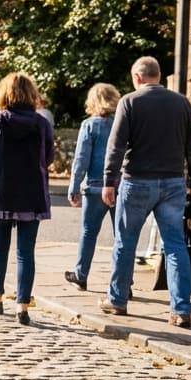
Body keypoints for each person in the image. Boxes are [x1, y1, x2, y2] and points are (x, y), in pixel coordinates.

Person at [100, 57, 191, 328]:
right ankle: (181, 309)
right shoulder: (182, 103)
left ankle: (117, 299)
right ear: (158, 75)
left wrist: (109, 181)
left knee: (125, 241)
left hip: (137, 182)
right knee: (175, 245)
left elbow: (116, 145)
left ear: (137, 77)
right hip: (172, 183)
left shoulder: (130, 102)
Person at [0, 72, 53, 324]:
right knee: (25, 252)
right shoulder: (42, 124)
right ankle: (22, 305)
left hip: (2, 192)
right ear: (32, 94)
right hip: (32, 193)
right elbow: (49, 157)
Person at [65, 83, 121, 291]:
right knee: (122, 236)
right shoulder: (124, 123)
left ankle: (81, 275)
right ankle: (124, 282)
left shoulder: (90, 125)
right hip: (120, 186)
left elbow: (81, 159)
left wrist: (74, 187)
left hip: (95, 186)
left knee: (88, 232)